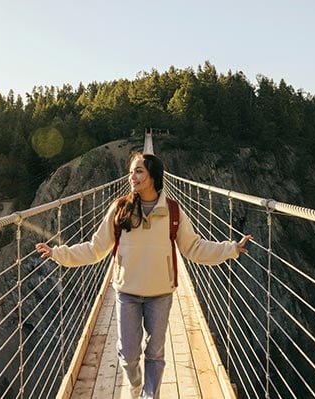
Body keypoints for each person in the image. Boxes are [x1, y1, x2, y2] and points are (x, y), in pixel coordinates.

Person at [35, 152, 252, 399]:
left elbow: (194, 247)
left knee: (155, 354)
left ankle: (150, 396)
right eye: (131, 172)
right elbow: (95, 248)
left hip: (160, 293)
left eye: (138, 171)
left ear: (153, 176)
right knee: (127, 355)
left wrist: (231, 249)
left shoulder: (172, 211)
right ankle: (136, 385)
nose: (132, 177)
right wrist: (57, 253)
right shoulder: (119, 209)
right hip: (126, 292)